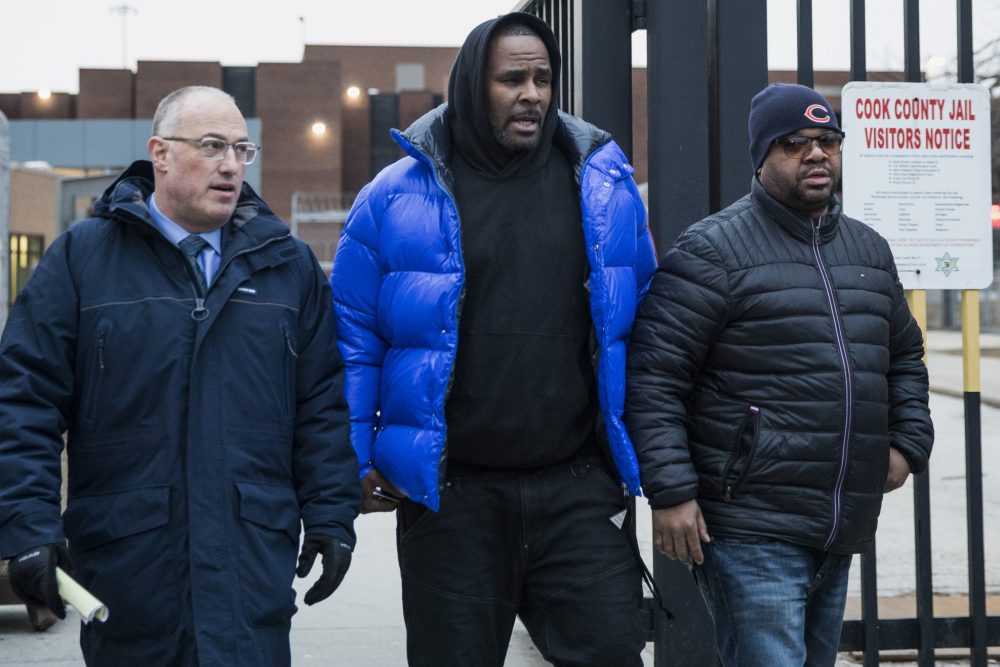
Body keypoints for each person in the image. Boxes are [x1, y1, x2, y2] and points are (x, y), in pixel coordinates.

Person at [330, 12, 656, 667]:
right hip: (452, 497)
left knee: (615, 650)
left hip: (577, 486)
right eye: (513, 79)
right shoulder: (393, 198)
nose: (533, 93)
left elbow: (642, 326)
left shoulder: (603, 186)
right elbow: (355, 340)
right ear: (472, 85)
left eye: (543, 78)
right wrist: (354, 455)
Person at [0, 85, 361, 665]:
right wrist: (27, 525)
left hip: (251, 572)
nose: (230, 164)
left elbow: (320, 404)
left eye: (243, 150)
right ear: (159, 153)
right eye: (212, 145)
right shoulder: (83, 260)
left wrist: (331, 513)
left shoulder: (285, 267)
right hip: (131, 573)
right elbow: (23, 400)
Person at [625, 82, 934, 667]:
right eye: (794, 142)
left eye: (828, 141)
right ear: (762, 157)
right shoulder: (712, 251)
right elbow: (655, 378)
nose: (816, 154)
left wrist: (907, 444)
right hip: (749, 526)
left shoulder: (869, 251)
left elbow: (905, 358)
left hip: (837, 521)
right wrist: (671, 492)